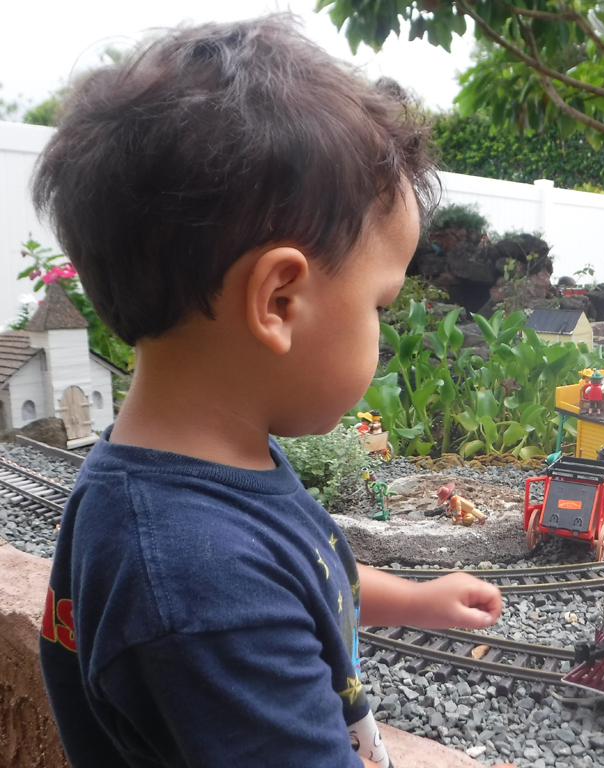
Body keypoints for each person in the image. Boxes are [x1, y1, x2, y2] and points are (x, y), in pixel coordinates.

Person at [33, 17, 513, 768]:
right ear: (279, 302)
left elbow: (303, 570)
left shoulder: (194, 476)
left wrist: (412, 601)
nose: (383, 330)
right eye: (380, 305)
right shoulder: (203, 595)